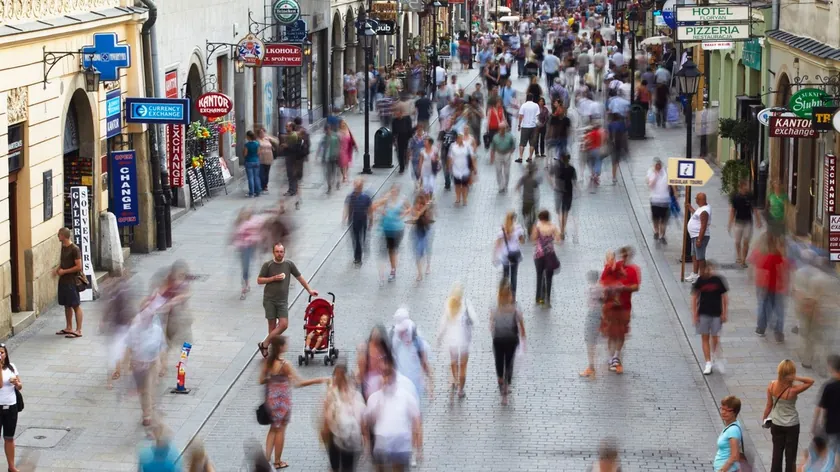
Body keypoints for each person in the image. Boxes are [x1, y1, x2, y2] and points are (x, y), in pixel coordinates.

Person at [260, 336, 329, 470]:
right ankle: (278, 461)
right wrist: (319, 380)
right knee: (281, 430)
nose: (287, 346)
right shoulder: (284, 364)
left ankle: (266, 459)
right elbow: (299, 383)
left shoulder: (268, 362)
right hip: (282, 401)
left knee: (273, 429)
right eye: (285, 344)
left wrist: (272, 381)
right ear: (280, 347)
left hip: (270, 400)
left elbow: (261, 380)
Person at [364, 343, 423, 471]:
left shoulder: (406, 390)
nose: (385, 378)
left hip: (400, 442)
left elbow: (416, 419)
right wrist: (367, 444)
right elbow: (367, 421)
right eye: (384, 373)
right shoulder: (375, 396)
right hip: (382, 442)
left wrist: (417, 445)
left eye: (388, 373)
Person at [256, 243, 318, 357]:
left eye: (281, 252)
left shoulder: (289, 264)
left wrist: (309, 290)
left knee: (284, 324)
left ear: (284, 252)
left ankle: (264, 343)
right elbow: (259, 280)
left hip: (282, 300)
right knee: (272, 327)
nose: (279, 254)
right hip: (269, 299)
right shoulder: (268, 265)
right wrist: (273, 278)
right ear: (273, 252)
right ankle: (273, 353)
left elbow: (300, 278)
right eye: (277, 252)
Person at [762, 359, 814, 472]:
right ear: (791, 373)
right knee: (791, 456)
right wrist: (796, 378)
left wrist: (765, 418)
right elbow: (810, 381)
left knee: (777, 454)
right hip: (792, 425)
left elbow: (769, 405)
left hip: (776, 424)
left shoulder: (771, 385)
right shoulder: (793, 390)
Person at [321, 364, 365, 472]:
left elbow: (360, 414)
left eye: (340, 375)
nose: (338, 378)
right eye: (336, 375)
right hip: (334, 434)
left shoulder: (353, 393)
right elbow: (326, 414)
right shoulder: (331, 392)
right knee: (335, 465)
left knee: (346, 466)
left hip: (349, 436)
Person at [490, 279, 526, 406]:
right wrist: (523, 338)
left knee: (499, 362)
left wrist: (494, 331)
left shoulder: (495, 306)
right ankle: (506, 386)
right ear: (510, 294)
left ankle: (501, 382)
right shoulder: (515, 308)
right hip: (511, 339)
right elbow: (521, 324)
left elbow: (491, 324)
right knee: (509, 363)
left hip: (498, 339)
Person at [437, 283, 475, 399]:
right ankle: (460, 390)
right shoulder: (466, 304)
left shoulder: (449, 304)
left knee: (454, 363)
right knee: (463, 366)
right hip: (464, 341)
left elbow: (444, 322)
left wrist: (439, 336)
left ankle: (455, 380)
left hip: (452, 341)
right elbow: (473, 319)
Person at [691, 261, 729, 375]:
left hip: (716, 313)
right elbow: (694, 297)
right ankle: (708, 362)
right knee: (705, 337)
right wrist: (695, 314)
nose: (710, 271)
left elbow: (724, 297)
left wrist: (724, 312)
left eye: (711, 268)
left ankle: (715, 356)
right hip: (703, 313)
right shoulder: (700, 281)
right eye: (708, 269)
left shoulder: (719, 280)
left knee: (715, 337)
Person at [750, 233, 789, 342]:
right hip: (775, 285)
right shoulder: (776, 255)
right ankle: (778, 331)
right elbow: (781, 270)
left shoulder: (757, 252)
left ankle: (761, 328)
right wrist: (785, 284)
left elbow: (752, 264)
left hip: (761, 284)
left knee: (762, 305)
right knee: (778, 308)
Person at [55, 227, 84, 338]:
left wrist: (64, 271)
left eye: (59, 234)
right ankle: (69, 327)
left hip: (72, 281)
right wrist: (57, 269)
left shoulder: (74, 249)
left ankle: (79, 330)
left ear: (63, 236)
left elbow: (78, 267)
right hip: (63, 281)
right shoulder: (63, 247)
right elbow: (64, 262)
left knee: (75, 305)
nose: (58, 236)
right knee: (67, 305)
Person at [812, 355, 840, 458]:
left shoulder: (829, 386)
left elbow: (820, 407)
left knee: (832, 454)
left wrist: (815, 425)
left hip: (831, 425)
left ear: (831, 368)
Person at [729, 180, 762, 267]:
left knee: (746, 242)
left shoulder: (750, 196)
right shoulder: (735, 197)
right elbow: (733, 210)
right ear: (740, 188)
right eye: (744, 187)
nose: (746, 188)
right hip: (738, 222)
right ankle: (739, 256)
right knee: (737, 241)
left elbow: (754, 209)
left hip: (748, 222)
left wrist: (758, 220)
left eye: (746, 187)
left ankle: (743, 259)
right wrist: (730, 222)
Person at [531, 210, 561, 307]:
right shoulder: (553, 227)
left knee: (539, 276)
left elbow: (534, 239)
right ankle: (548, 298)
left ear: (540, 218)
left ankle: (539, 298)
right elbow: (558, 239)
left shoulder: (538, 226)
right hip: (550, 254)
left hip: (539, 254)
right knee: (549, 277)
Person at [0, 345, 21, 472]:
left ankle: (11, 466)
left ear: (6, 354)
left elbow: (20, 386)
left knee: (9, 437)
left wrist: (17, 384)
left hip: (11, 406)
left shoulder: (12, 367)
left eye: (2, 352)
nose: (0, 355)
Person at [580, 271, 605, 378]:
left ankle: (591, 367)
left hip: (593, 316)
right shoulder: (602, 288)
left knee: (590, 342)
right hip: (602, 316)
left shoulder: (593, 289)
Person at [496, 211, 526, 298]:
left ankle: (503, 297)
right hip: (515, 255)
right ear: (514, 219)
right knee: (514, 276)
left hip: (505, 256)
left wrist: (496, 255)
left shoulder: (502, 229)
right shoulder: (518, 228)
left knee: (505, 277)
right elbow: (522, 241)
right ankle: (512, 297)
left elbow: (498, 244)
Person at [344, 179, 373, 265]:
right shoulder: (350, 196)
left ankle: (362, 249)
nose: (356, 188)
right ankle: (357, 257)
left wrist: (371, 220)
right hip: (353, 221)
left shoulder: (366, 197)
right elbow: (347, 207)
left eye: (358, 186)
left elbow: (370, 210)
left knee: (362, 238)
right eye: (356, 186)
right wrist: (345, 218)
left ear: (361, 187)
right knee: (356, 239)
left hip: (363, 220)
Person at [685, 193, 711, 283]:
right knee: (695, 256)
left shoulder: (705, 211)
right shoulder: (701, 208)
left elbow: (703, 226)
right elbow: (696, 216)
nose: (695, 200)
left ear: (701, 200)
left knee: (700, 257)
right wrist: (690, 208)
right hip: (694, 236)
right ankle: (695, 274)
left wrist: (700, 239)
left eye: (697, 199)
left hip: (699, 236)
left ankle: (702, 277)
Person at [714, 395, 744, 472]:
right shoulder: (732, 425)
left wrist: (723, 470)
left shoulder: (733, 430)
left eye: (728, 410)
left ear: (735, 412)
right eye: (722, 409)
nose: (723, 412)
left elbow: (734, 455)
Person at [646, 158, 671, 244]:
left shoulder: (666, 172)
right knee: (656, 218)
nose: (658, 167)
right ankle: (656, 231)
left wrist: (675, 192)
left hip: (665, 200)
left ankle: (662, 235)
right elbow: (650, 185)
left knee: (663, 220)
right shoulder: (651, 172)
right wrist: (656, 175)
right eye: (657, 165)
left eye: (659, 165)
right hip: (655, 200)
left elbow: (671, 183)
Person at [551, 153, 577, 239]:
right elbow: (574, 182)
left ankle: (561, 229)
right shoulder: (572, 169)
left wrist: (553, 184)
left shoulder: (559, 168)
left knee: (559, 211)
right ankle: (563, 229)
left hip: (559, 191)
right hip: (569, 191)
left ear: (561, 159)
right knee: (565, 211)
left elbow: (554, 177)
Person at [410, 193, 434, 280]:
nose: (419, 205)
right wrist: (424, 208)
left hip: (426, 233)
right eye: (417, 203)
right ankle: (419, 273)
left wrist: (427, 208)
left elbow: (429, 221)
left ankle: (428, 265)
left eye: (421, 203)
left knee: (427, 250)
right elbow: (415, 217)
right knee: (417, 254)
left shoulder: (427, 211)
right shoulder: (414, 210)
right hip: (416, 234)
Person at [448, 133, 476, 206]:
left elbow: (472, 156)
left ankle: (464, 199)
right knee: (457, 184)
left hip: (465, 168)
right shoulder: (453, 146)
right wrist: (449, 166)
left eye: (461, 138)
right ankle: (457, 198)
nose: (459, 139)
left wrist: (474, 167)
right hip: (456, 168)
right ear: (456, 139)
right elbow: (450, 157)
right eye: (458, 138)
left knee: (464, 185)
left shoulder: (467, 146)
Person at [515, 161, 542, 234]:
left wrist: (519, 193)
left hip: (525, 200)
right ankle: (531, 225)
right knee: (533, 214)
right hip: (533, 201)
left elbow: (517, 186)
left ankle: (526, 223)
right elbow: (537, 190)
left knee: (524, 213)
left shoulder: (524, 178)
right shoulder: (534, 180)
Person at [490, 123, 516, 193]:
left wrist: (510, 153)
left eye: (504, 128)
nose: (502, 130)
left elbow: (513, 146)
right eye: (501, 128)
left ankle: (506, 185)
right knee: (498, 171)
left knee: (506, 172)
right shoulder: (495, 137)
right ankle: (501, 186)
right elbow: (492, 147)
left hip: (507, 154)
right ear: (499, 129)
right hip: (498, 154)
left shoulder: (510, 136)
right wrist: (492, 157)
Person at [516, 94, 540, 163]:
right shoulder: (536, 105)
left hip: (525, 126)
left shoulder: (523, 105)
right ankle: (530, 157)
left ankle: (520, 157)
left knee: (522, 143)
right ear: (532, 98)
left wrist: (519, 125)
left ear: (527, 98)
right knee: (532, 143)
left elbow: (521, 116)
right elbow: (538, 115)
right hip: (533, 126)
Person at [257, 127, 279, 194]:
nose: (262, 134)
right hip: (261, 158)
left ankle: (265, 186)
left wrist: (270, 137)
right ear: (258, 134)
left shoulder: (267, 139)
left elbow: (277, 142)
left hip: (269, 158)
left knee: (266, 173)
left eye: (263, 132)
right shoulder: (257, 140)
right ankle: (261, 186)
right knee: (261, 174)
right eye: (260, 132)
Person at [244, 130, 262, 197]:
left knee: (250, 178)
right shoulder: (257, 144)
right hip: (256, 161)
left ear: (248, 137)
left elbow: (245, 154)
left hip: (249, 161)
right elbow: (258, 153)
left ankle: (251, 193)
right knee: (256, 177)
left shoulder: (247, 145)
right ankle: (258, 192)